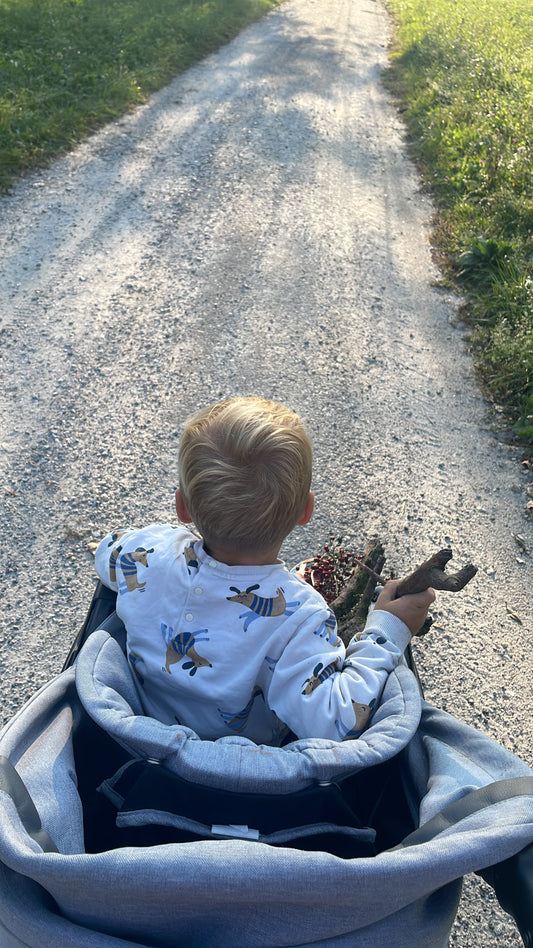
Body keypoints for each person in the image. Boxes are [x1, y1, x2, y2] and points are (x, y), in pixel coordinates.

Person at [95, 396, 434, 745]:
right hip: (244, 774)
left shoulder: (148, 552)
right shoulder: (300, 616)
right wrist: (388, 630)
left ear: (182, 506)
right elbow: (339, 720)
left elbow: (107, 554)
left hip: (140, 747)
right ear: (307, 511)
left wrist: (157, 542)